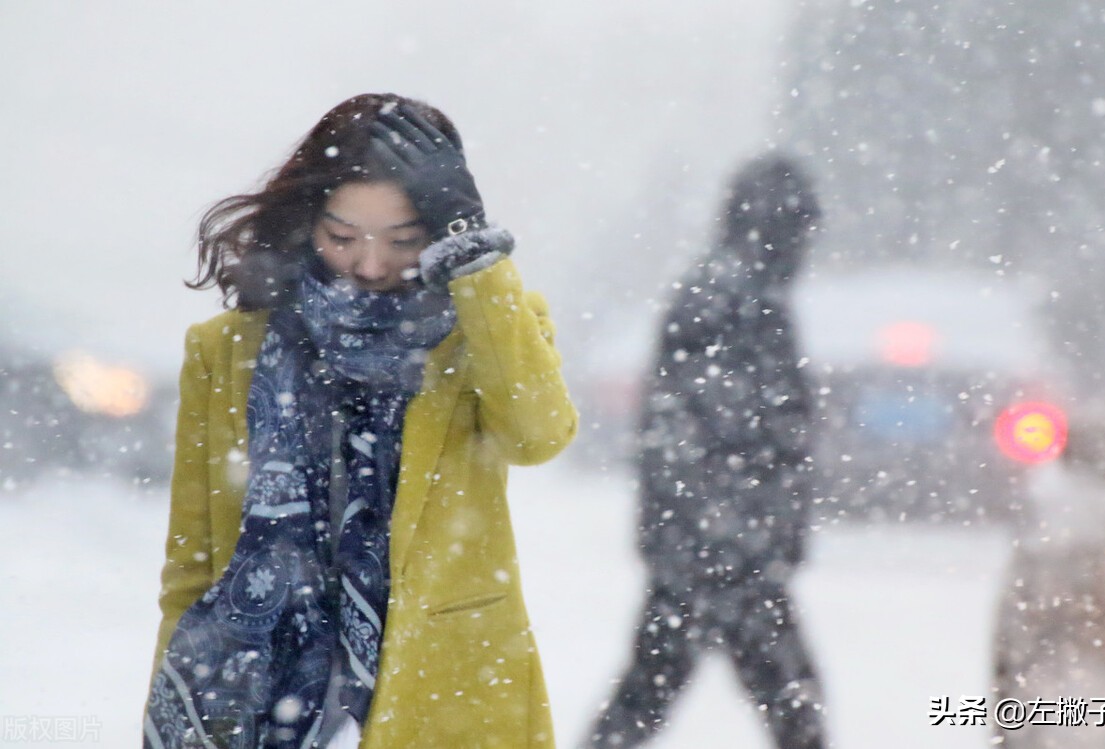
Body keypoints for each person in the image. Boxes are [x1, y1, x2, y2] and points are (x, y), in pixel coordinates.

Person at [142, 93, 577, 749]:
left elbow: (537, 433)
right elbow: (194, 566)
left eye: (404, 240)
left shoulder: (485, 328)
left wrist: (472, 250)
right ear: (307, 218)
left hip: (445, 693)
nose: (371, 266)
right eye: (342, 237)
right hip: (262, 697)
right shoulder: (227, 349)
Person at [585, 155, 827, 748]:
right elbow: (692, 437)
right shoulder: (727, 300)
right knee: (792, 704)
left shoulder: (738, 293)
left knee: (651, 696)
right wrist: (733, 544)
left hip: (716, 550)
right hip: (720, 555)